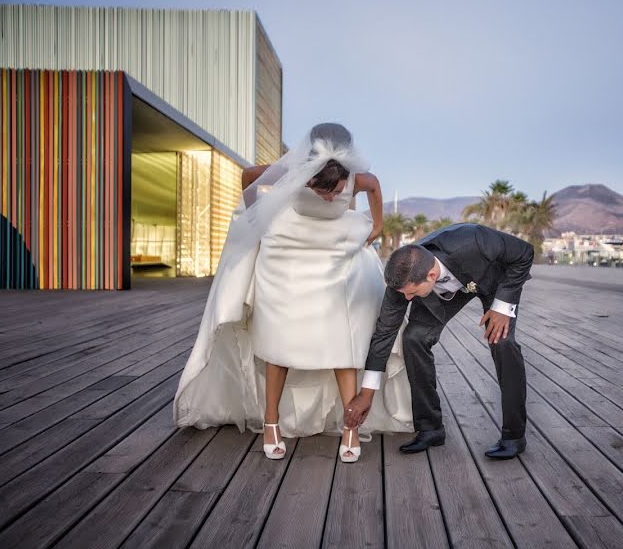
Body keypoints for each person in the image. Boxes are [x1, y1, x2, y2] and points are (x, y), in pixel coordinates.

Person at [173, 123, 412, 463]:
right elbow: (249, 176)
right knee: (278, 342)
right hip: (287, 252)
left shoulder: (360, 178)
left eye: (336, 191)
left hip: (335, 253)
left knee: (341, 342)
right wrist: (257, 217)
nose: (330, 197)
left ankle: (351, 425)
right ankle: (271, 422)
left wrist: (377, 226)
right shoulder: (290, 171)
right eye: (321, 190)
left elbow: (374, 190)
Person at [345, 223, 534, 459]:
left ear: (431, 275)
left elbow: (524, 252)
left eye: (411, 294)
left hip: (493, 279)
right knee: (414, 338)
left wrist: (503, 307)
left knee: (503, 343)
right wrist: (367, 393)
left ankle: (514, 436)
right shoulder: (403, 282)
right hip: (440, 289)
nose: (406, 299)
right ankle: (430, 428)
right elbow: (384, 333)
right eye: (404, 294)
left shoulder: (474, 240)